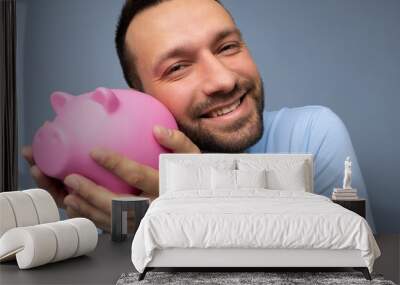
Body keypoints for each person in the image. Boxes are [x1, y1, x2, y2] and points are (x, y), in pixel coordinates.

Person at [22, 0, 375, 232]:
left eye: (228, 47)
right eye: (177, 67)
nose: (223, 80)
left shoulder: (312, 134)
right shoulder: (121, 185)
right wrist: (92, 229)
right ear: (139, 98)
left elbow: (355, 262)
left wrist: (199, 211)